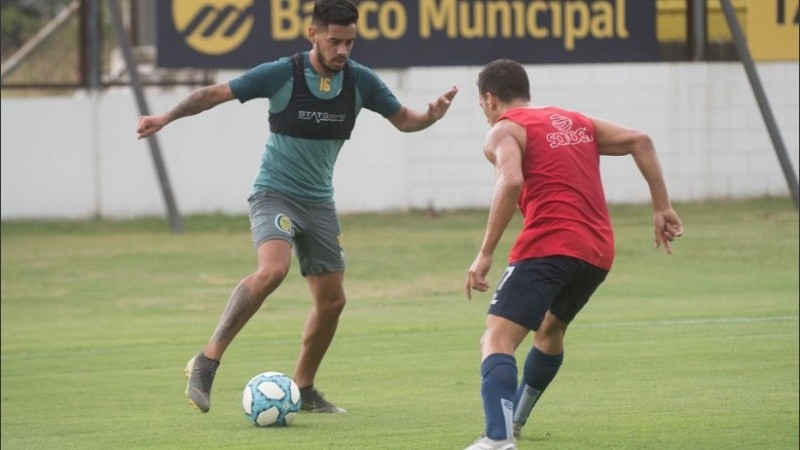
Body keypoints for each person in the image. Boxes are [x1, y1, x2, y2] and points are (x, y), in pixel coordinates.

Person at [136, 0, 458, 415]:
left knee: (333, 302)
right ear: (313, 34)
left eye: (350, 42)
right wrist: (165, 117)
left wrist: (431, 116)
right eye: (335, 41)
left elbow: (405, 120)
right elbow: (213, 94)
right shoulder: (283, 73)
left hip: (319, 203)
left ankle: (303, 389)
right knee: (273, 269)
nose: (343, 50)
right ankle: (207, 360)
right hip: (275, 192)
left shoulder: (360, 81)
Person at [463, 59, 683, 450]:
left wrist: (485, 253)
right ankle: (515, 422)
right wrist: (661, 206)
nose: (485, 114)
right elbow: (641, 140)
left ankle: (497, 439)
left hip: (548, 244)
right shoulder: (574, 121)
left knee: (496, 340)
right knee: (550, 331)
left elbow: (511, 181)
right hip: (597, 251)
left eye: (482, 107)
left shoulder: (504, 130)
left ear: (490, 99)